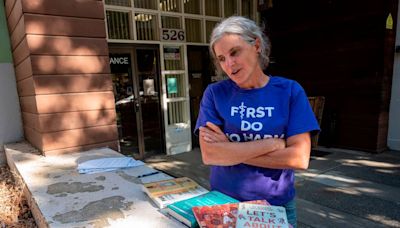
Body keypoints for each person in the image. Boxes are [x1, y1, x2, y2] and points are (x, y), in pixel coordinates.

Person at [194, 16, 320, 228]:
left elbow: (299, 158)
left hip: (275, 207)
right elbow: (211, 154)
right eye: (222, 58)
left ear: (257, 46)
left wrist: (230, 150)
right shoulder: (215, 93)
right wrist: (271, 145)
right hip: (223, 204)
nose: (229, 64)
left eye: (235, 52)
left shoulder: (289, 91)